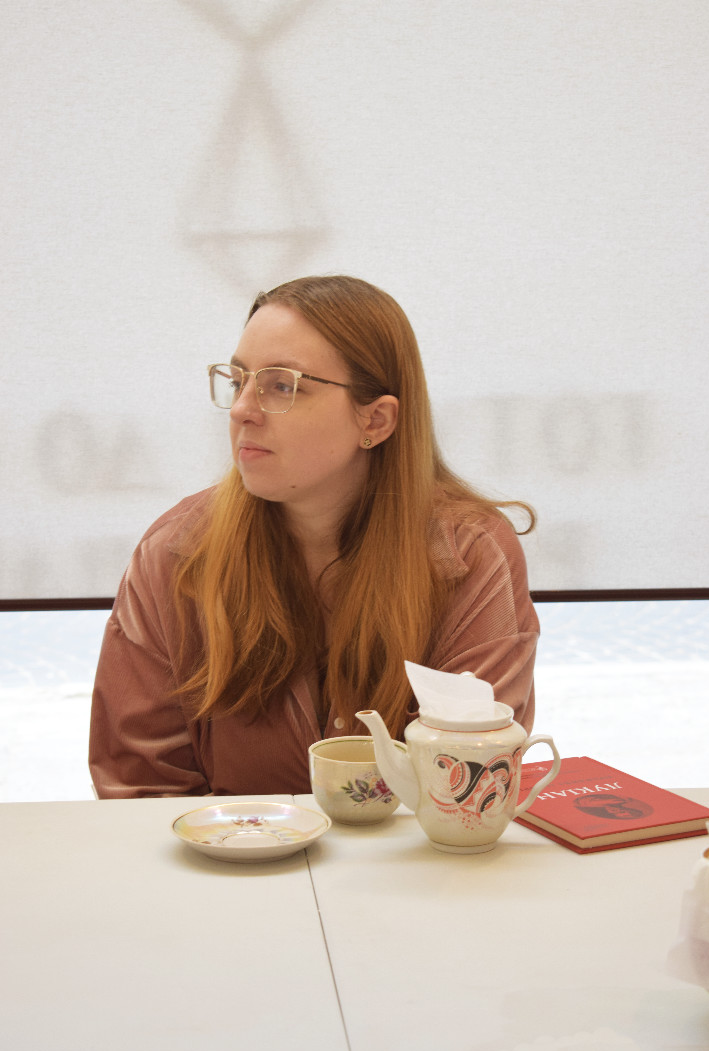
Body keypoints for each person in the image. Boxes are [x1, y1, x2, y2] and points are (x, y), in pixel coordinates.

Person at [89, 275, 539, 798]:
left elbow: (469, 785)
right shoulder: (176, 553)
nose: (241, 410)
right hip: (229, 852)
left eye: (281, 386)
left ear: (376, 420)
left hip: (411, 855)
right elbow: (141, 789)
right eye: (238, 381)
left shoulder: (469, 554)